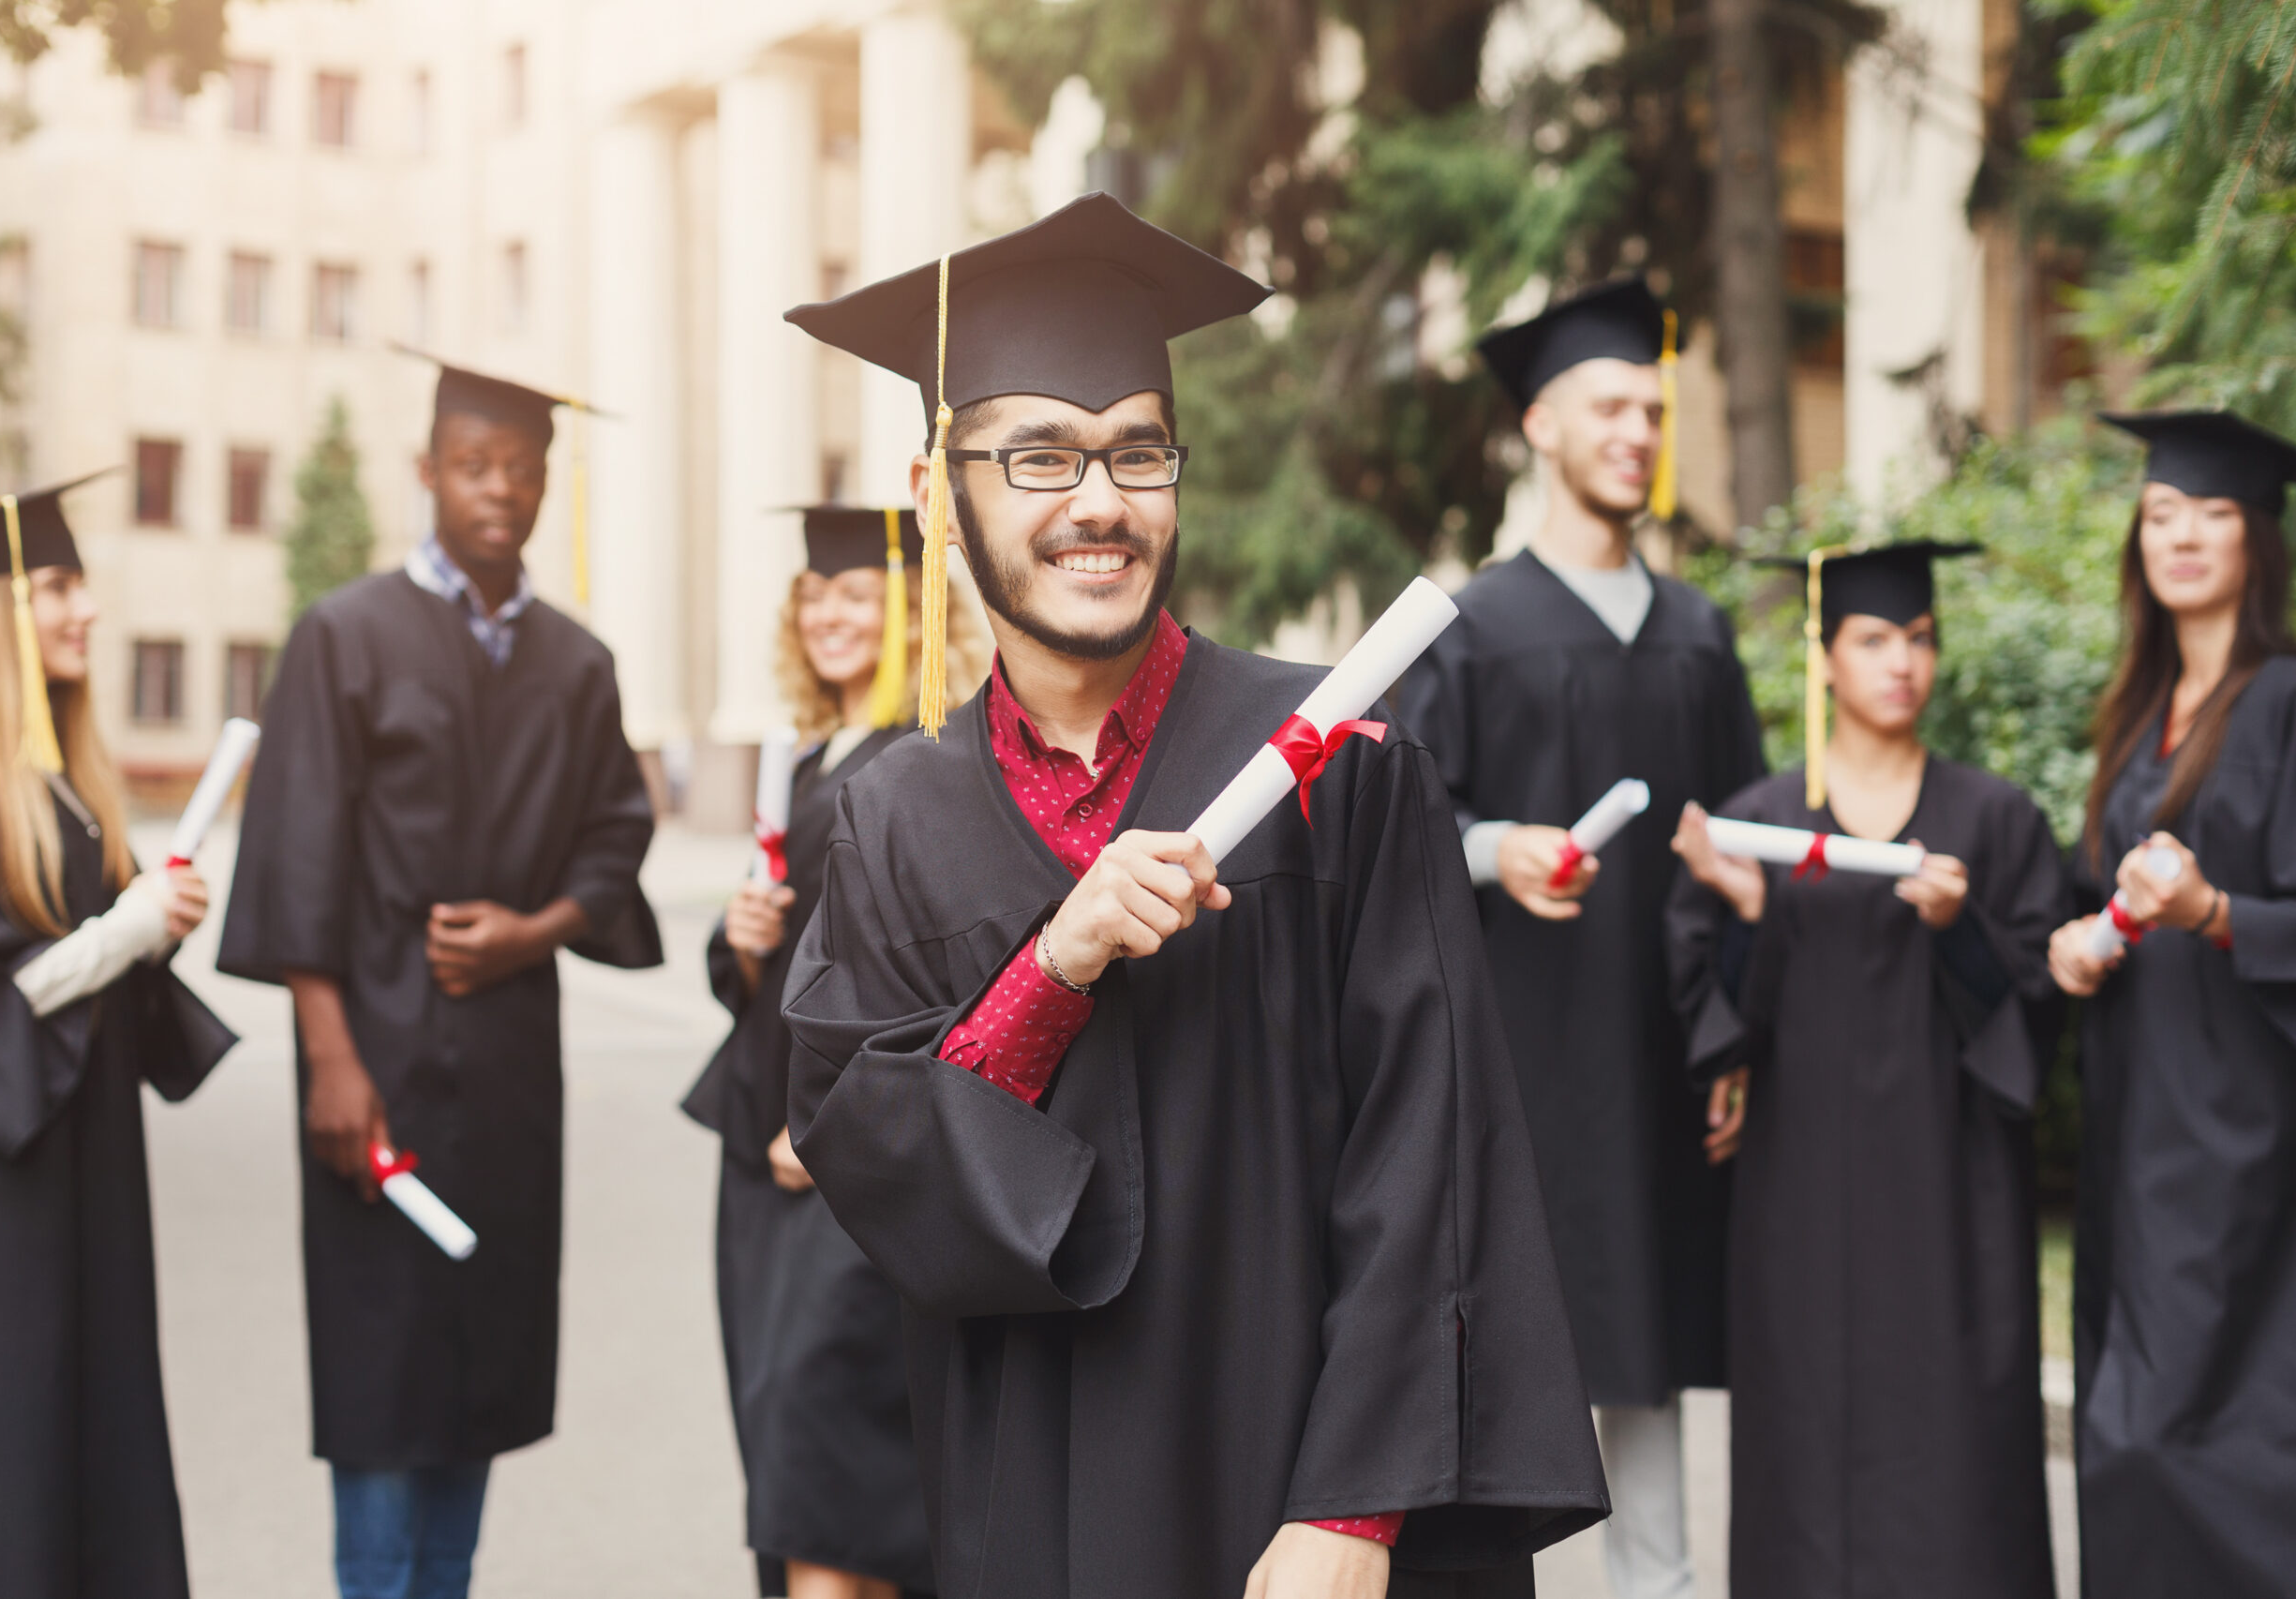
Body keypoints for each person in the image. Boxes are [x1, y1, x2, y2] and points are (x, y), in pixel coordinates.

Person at [776, 192, 1605, 1599]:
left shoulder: (1341, 766)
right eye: (1038, 454)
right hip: (1029, 1497)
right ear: (942, 490)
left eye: (1135, 449)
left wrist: (1361, 1503)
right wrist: (1057, 964)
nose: (1097, 498)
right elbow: (870, 1157)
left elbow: (1437, 1152)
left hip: (1308, 1510)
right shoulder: (885, 819)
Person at [217, 356, 662, 1599]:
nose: (500, 490)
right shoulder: (345, 636)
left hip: (511, 1071)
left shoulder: (576, 663)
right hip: (381, 1062)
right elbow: (297, 850)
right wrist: (333, 1063)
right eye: (474, 465)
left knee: (476, 1371)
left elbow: (615, 837)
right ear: (426, 471)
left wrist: (533, 932)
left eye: (523, 469)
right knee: (379, 1380)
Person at [1396, 278, 1763, 1599]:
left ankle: (1661, 1585)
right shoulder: (1471, 627)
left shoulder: (1699, 636)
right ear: (1543, 423)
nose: (1637, 431)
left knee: (1650, 1352)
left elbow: (1735, 852)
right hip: (1525, 1063)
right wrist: (1501, 848)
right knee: (1519, 1348)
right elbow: (1400, 832)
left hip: (1660, 1054)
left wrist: (1733, 1034)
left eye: (1653, 411)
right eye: (1610, 405)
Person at [1664, 541, 2062, 1598]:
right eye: (1873, 639)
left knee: (1956, 1458)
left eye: (1919, 639)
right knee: (1804, 1451)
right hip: (1796, 1203)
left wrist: (1961, 928)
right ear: (1825, 656)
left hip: (1949, 1196)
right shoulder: (1758, 825)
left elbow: (2037, 1012)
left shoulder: (1996, 820)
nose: (1901, 662)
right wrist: (1748, 912)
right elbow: (1712, 1029)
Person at [0, 477, 236, 1599]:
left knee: (92, 1434)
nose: (85, 609)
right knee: (4, 1456)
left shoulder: (61, 786)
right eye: (55, 586)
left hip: (81, 1169)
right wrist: (125, 931)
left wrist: (149, 930)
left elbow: (90, 974)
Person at [682, 505, 984, 1599]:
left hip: (843, 1159)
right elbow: (794, 953)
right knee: (785, 1438)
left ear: (913, 611)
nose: (831, 614)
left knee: (828, 1461)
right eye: (816, 596)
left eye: (859, 594)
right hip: (760, 1151)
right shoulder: (810, 755)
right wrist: (742, 938)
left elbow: (936, 971)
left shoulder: (927, 755)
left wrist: (838, 1123)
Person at [2046, 411, 2296, 1598]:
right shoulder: (2134, 716)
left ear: (2259, 537)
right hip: (2141, 1132)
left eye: (2212, 513)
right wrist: (2079, 946)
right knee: (2123, 1439)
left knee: (2220, 1452)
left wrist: (2214, 911)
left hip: (2252, 1151)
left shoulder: (2292, 704)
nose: (2184, 536)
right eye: (2161, 514)